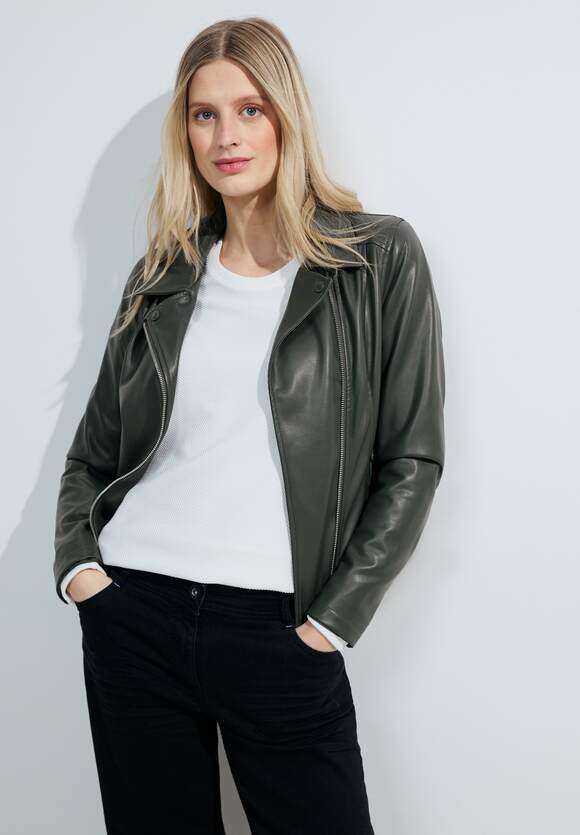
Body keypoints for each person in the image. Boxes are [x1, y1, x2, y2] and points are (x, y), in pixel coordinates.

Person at [53, 16, 445, 835]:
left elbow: (412, 459)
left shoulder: (376, 259)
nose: (226, 136)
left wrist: (330, 623)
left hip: (280, 629)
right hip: (136, 614)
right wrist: (82, 573)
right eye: (205, 114)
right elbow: (91, 455)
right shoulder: (161, 275)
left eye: (249, 110)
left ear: (285, 117)